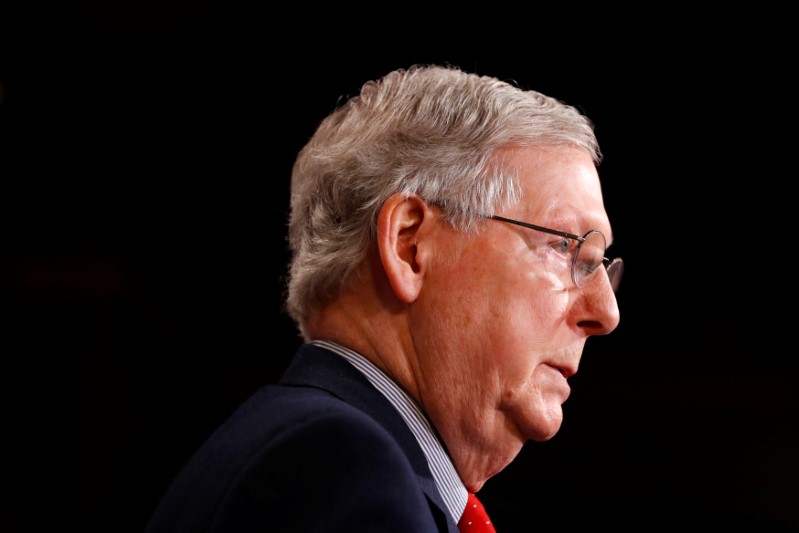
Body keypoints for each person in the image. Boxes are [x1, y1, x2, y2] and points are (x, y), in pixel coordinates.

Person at [144, 63, 623, 532]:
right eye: (565, 247)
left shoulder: (313, 452)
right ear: (409, 246)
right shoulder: (334, 466)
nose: (606, 312)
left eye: (601, 265)